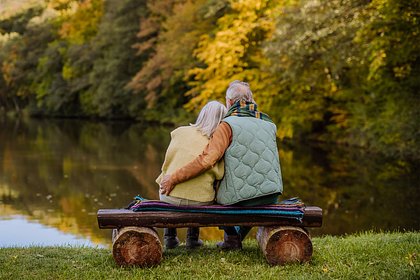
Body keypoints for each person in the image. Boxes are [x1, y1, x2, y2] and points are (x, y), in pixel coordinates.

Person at [160, 80, 283, 250]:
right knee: (251, 191)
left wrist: (174, 178)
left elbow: (207, 160)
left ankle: (231, 239)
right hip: (273, 194)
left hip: (243, 200)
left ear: (230, 102)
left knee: (221, 190)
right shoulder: (269, 124)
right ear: (251, 99)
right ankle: (234, 238)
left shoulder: (227, 125)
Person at [156, 101, 227, 249]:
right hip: (200, 201)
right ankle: (192, 239)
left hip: (169, 195)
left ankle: (169, 237)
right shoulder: (216, 144)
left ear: (202, 115)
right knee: (204, 188)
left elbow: (167, 163)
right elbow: (219, 174)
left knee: (168, 182)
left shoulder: (180, 132)